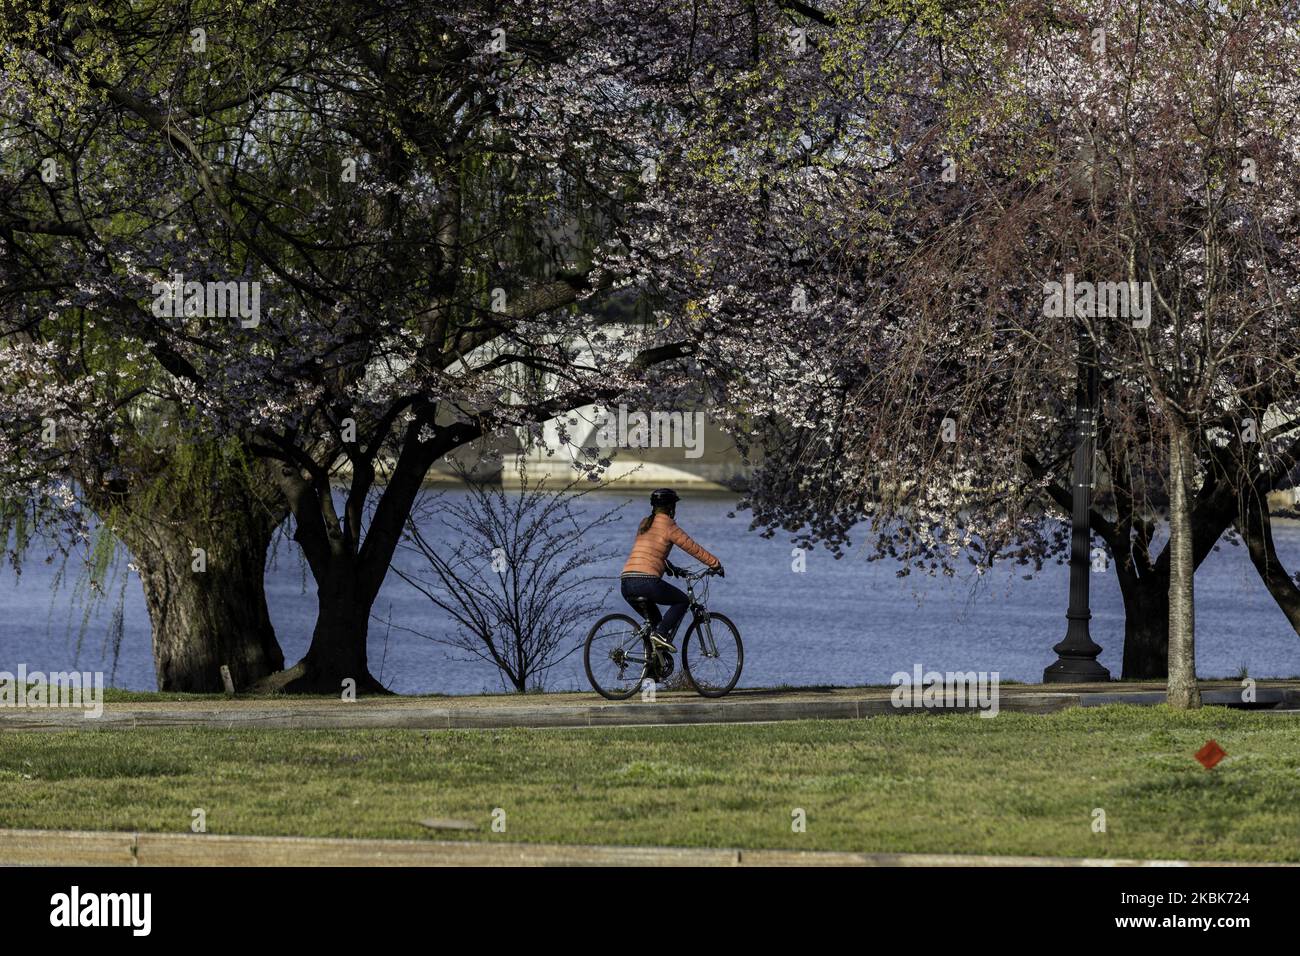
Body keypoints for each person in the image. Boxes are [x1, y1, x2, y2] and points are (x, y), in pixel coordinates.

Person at [621, 488, 724, 653]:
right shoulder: (669, 525)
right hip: (647, 582)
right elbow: (692, 547)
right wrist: (715, 563)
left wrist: (671, 568)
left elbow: (649, 552)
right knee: (682, 601)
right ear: (671, 507)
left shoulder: (644, 523)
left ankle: (651, 668)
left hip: (626, 583)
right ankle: (661, 634)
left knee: (655, 622)